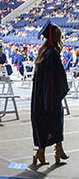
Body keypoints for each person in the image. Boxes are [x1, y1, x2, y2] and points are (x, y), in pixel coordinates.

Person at [31, 20, 70, 165]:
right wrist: (57, 95)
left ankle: (52, 150)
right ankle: (47, 152)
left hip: (41, 96)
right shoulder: (52, 54)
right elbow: (56, 78)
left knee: (47, 123)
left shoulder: (44, 52)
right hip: (50, 96)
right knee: (53, 122)